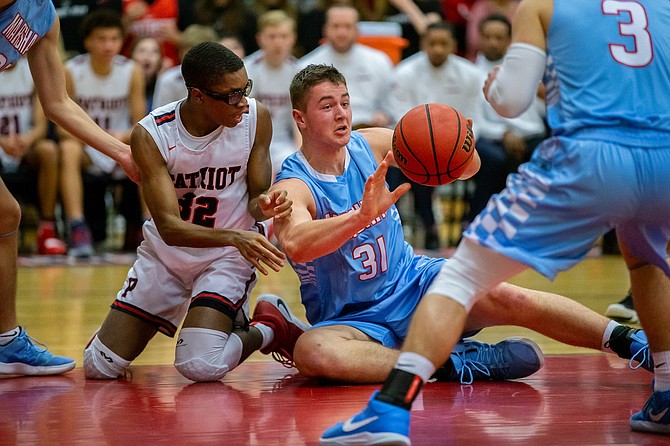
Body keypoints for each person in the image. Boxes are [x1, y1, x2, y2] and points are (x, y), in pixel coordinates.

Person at [322, 0, 670, 441]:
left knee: (459, 278)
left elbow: (511, 100)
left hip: (592, 155)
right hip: (663, 153)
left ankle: (389, 411)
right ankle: (666, 390)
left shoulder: (544, 6)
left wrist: (495, 85)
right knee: (646, 264)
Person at [253, 64, 651, 388]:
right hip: (354, 319)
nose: (341, 114)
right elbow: (297, 243)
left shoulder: (368, 143)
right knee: (314, 352)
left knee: (513, 297)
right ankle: (457, 364)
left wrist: (456, 143)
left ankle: (632, 343)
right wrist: (361, 217)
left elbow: (466, 167)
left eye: (345, 102)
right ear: (300, 119)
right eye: (327, 106)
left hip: (415, 283)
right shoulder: (294, 184)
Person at [82, 42, 306, 382]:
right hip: (168, 254)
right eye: (231, 95)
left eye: (244, 89)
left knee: (199, 364)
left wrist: (264, 205)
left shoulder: (256, 119)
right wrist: (235, 235)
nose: (242, 102)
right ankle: (120, 335)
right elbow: (170, 228)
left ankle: (270, 326)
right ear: (198, 96)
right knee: (99, 366)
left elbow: (255, 201)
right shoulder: (152, 134)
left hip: (227, 255)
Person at [0, 0, 139, 376]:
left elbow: (59, 102)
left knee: (6, 214)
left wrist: (123, 153)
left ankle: (5, 340)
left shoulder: (40, 14)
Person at [386, 20, 484, 250]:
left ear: (453, 45)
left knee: (494, 161)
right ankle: (406, 228)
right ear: (423, 44)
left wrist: (461, 144)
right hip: (413, 143)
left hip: (459, 144)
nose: (438, 49)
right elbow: (400, 119)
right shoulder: (404, 73)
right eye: (433, 43)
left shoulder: (471, 74)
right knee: (409, 162)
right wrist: (430, 143)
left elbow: (475, 118)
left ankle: (468, 225)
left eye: (443, 43)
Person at [58, 9, 146, 257]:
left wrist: (119, 138)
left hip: (121, 141)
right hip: (86, 146)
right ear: (87, 41)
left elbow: (141, 124)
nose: (109, 45)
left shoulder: (131, 70)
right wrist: (97, 140)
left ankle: (150, 225)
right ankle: (77, 226)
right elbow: (63, 127)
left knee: (148, 148)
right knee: (67, 149)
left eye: (114, 39)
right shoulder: (71, 70)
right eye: (102, 39)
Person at [462, 13, 547, 228]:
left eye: (499, 38)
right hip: (490, 137)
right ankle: (479, 223)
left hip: (530, 135)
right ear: (479, 38)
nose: (493, 42)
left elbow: (541, 114)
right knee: (494, 160)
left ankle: (539, 225)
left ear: (509, 40)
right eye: (488, 37)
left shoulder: (526, 70)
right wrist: (504, 134)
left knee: (547, 155)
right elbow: (474, 120)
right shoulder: (468, 73)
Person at [0, 58, 67, 256]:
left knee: (49, 150)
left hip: (25, 145)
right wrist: (3, 142)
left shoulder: (30, 71)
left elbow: (41, 125)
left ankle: (47, 228)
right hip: (2, 142)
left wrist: (26, 140)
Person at [298, 5, 393, 129]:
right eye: (336, 26)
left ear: (357, 30)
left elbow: (391, 103)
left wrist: (384, 115)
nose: (342, 33)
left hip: (371, 128)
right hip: (326, 132)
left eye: (348, 26)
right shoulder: (306, 66)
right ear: (325, 29)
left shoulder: (380, 60)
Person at [244, 10, 300, 180]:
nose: (278, 42)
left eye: (283, 36)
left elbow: (299, 119)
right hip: (249, 141)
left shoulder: (298, 71)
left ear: (293, 38)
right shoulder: (247, 69)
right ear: (260, 38)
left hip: (283, 142)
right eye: (272, 36)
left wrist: (301, 155)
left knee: (293, 170)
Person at [152, 24, 219, 109]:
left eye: (198, 55)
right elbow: (159, 117)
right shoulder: (168, 79)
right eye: (187, 52)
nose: (193, 60)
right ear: (180, 54)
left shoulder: (223, 79)